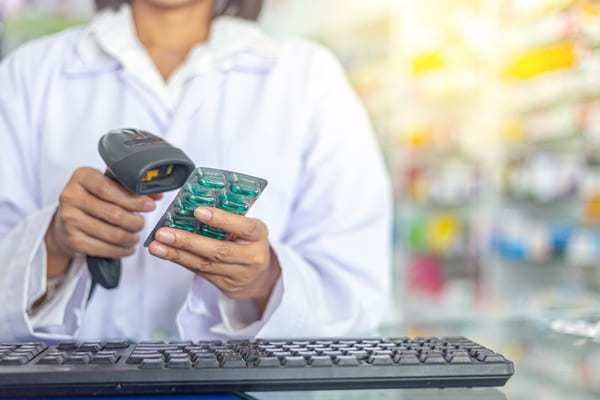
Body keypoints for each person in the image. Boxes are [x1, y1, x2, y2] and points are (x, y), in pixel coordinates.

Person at [0, 0, 392, 341]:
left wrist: (264, 282)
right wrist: (53, 244)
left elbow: (357, 293)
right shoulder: (28, 75)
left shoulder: (308, 77)